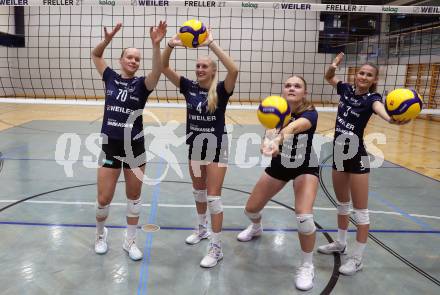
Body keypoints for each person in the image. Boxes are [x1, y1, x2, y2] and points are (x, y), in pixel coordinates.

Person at [317, 53, 408, 275]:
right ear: (356, 74)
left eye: (369, 75)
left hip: (356, 156)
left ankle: (357, 259)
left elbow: (381, 111)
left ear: (374, 80)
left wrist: (392, 119)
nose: (364, 77)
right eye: (361, 73)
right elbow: (329, 77)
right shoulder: (346, 89)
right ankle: (340, 243)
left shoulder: (372, 99)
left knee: (361, 211)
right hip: (339, 153)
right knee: (341, 203)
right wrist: (334, 65)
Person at [162, 28, 238, 268]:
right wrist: (170, 45)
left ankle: (216, 248)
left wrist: (212, 44)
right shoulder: (188, 86)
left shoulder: (222, 90)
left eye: (204, 66)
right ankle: (202, 229)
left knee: (214, 198)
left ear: (213, 71)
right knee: (199, 191)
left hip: (217, 147)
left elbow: (234, 69)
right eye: (198, 66)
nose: (199, 70)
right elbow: (163, 67)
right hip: (195, 147)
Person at [91, 21, 167, 260]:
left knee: (134, 198)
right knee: (104, 198)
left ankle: (129, 240)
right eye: (130, 57)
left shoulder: (143, 85)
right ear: (121, 60)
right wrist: (108, 39)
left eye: (137, 59)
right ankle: (100, 235)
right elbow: (95, 54)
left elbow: (157, 70)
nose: (134, 61)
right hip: (110, 145)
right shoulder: (110, 77)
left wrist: (156, 45)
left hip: (134, 147)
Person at [237, 76, 319, 291]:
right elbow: (269, 134)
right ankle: (256, 227)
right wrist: (267, 145)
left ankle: (307, 265)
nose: (292, 88)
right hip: (280, 166)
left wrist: (276, 140)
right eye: (288, 85)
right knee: (251, 209)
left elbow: (291, 129)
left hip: (305, 167)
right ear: (283, 91)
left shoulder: (309, 114)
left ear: (304, 93)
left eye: (297, 86)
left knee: (304, 217)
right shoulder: (275, 113)